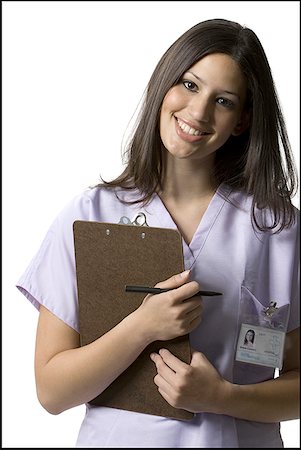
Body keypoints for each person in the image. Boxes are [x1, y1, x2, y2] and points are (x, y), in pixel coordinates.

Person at [16, 18, 299, 448]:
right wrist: (142, 326)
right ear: (163, 84)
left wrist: (222, 397)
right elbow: (52, 392)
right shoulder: (90, 216)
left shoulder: (278, 230)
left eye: (222, 100)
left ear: (241, 121)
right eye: (189, 85)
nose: (198, 112)